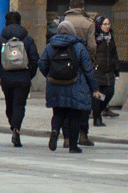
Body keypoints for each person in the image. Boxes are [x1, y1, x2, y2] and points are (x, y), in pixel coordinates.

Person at [38, 21, 102, 153]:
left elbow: (42, 64)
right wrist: (94, 88)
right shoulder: (78, 47)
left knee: (58, 113)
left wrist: (50, 76)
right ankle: (73, 146)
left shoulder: (50, 46)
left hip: (55, 85)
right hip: (75, 85)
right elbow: (88, 69)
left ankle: (55, 131)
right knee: (74, 116)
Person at [0, 11, 39, 147]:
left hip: (6, 78)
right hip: (23, 78)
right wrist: (29, 74)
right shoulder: (28, 39)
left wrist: (1, 74)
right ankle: (16, 129)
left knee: (9, 104)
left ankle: (13, 125)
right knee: (19, 105)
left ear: (6, 22)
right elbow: (35, 59)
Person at [61, 0, 98, 146]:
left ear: (70, 7)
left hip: (63, 67)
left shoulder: (62, 21)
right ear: (83, 8)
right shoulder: (88, 23)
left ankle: (67, 137)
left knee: (64, 101)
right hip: (81, 69)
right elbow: (92, 46)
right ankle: (83, 134)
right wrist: (88, 60)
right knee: (83, 101)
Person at [92, 16, 120, 127]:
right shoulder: (94, 38)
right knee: (97, 96)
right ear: (98, 25)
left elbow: (114, 54)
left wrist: (116, 69)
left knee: (109, 92)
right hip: (97, 71)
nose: (107, 26)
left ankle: (97, 110)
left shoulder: (110, 37)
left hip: (109, 72)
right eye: (105, 24)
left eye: (108, 24)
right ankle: (97, 118)